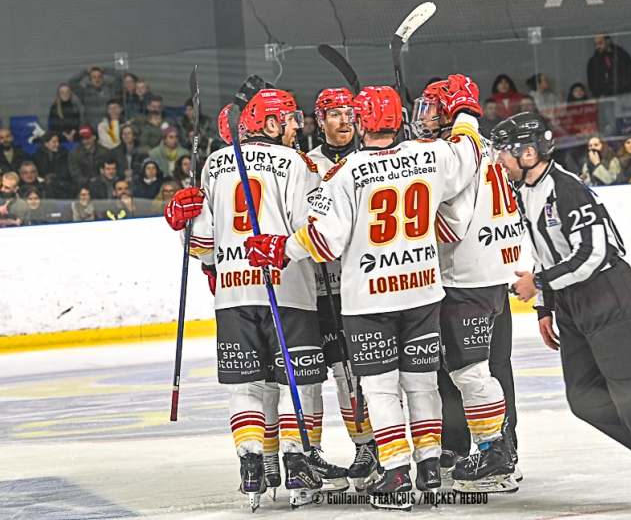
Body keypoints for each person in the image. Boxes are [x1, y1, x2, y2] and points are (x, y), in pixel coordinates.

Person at [247, 77, 484, 510]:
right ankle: (429, 467)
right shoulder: (430, 154)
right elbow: (469, 152)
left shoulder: (348, 172)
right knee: (421, 384)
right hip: (422, 294)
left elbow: (325, 244)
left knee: (379, 388)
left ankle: (396, 473)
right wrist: (466, 111)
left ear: (361, 121)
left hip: (369, 301)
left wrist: (281, 248)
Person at [493, 111, 631, 515]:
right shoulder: (523, 192)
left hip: (609, 294)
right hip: (571, 302)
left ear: (528, 152)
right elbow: (544, 252)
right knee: (585, 400)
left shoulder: (567, 189)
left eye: (503, 152)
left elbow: (595, 252)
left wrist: (541, 283)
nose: (498, 160)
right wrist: (545, 305)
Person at [165, 88, 328, 508]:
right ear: (270, 123)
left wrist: (183, 226)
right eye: (290, 119)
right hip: (287, 290)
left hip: (233, 294)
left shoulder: (215, 163)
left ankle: (252, 464)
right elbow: (309, 231)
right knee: (299, 383)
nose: (296, 126)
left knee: (248, 385)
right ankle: (296, 462)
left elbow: (202, 244)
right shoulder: (296, 162)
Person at [411, 79, 522, 492]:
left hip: (461, 280)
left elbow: (449, 225)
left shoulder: (453, 154)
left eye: (430, 109)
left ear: (449, 113)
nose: (423, 117)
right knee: (495, 369)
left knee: (461, 371)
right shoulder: (487, 147)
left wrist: (412, 214)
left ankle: (490, 454)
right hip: (494, 277)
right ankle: (501, 450)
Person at [304, 87, 377, 491]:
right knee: (337, 371)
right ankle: (341, 449)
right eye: (335, 114)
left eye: (350, 113)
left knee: (371, 372)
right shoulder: (306, 164)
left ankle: (377, 446)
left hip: (368, 282)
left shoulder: (371, 157)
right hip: (322, 288)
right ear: (320, 121)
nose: (344, 120)